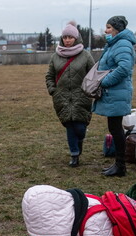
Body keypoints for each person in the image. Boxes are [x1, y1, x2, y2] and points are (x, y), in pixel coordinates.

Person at [45, 21, 95, 168]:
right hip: (62, 97)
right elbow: (49, 75)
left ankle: (79, 143)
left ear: (76, 38)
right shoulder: (55, 56)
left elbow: (93, 75)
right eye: (65, 37)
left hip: (82, 96)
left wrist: (90, 91)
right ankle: (74, 154)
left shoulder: (86, 55)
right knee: (69, 125)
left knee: (80, 128)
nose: (67, 40)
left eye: (70, 37)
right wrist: (53, 90)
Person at [93, 16, 136, 177]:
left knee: (116, 128)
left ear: (118, 29)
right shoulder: (116, 44)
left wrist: (104, 81)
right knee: (114, 127)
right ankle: (119, 164)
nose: (106, 30)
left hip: (117, 92)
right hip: (114, 93)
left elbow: (124, 68)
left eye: (109, 27)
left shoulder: (122, 44)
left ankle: (120, 166)